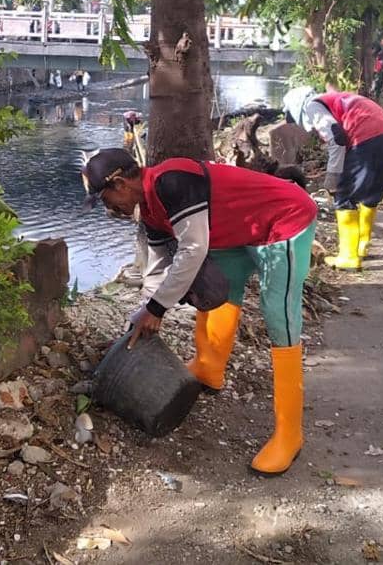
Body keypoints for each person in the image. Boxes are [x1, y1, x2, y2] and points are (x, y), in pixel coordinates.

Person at [82, 149, 317, 474]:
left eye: (105, 200)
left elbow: (193, 249)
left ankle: (289, 435)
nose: (108, 209)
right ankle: (209, 367)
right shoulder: (149, 207)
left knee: (279, 317)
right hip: (241, 230)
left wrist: (157, 309)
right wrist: (145, 314)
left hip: (284, 221)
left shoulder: (173, 182)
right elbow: (159, 264)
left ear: (120, 184)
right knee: (223, 290)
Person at [283, 86, 383, 269]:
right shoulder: (336, 98)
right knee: (371, 192)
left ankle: (349, 257)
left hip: (365, 136)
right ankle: (362, 245)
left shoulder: (313, 106)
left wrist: (332, 178)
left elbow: (336, 138)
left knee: (344, 195)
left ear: (297, 106)